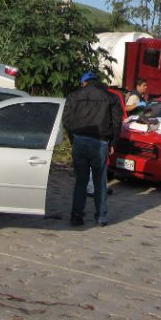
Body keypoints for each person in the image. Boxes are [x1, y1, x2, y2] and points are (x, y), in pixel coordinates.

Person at [63, 72, 122, 226]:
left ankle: (76, 216)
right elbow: (117, 123)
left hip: (79, 141)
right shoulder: (111, 98)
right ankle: (101, 217)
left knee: (81, 181)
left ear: (84, 83)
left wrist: (73, 139)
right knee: (100, 182)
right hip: (100, 143)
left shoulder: (73, 96)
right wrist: (113, 143)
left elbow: (67, 121)